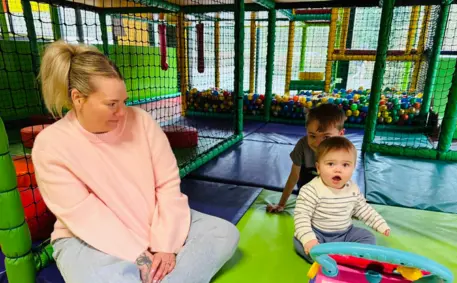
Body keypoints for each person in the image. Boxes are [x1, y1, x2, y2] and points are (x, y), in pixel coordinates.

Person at [32, 40, 239, 283]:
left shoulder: (141, 121)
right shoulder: (51, 145)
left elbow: (168, 184)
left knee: (223, 234)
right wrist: (140, 256)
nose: (122, 112)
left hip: (152, 219)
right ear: (78, 98)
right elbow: (87, 217)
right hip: (87, 238)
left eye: (124, 101)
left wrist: (166, 245)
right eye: (111, 104)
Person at [293, 136, 390, 263]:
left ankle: (347, 257)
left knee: (368, 237)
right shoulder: (311, 190)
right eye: (330, 164)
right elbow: (301, 217)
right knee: (301, 241)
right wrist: (309, 240)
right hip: (319, 234)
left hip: (345, 234)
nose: (338, 169)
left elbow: (363, 209)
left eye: (345, 165)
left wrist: (380, 224)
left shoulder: (353, 189)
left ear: (353, 167)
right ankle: (328, 258)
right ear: (318, 168)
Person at [267, 103, 346, 213]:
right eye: (312, 136)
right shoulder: (303, 146)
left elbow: (344, 181)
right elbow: (294, 175)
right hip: (307, 185)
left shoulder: (343, 152)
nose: (317, 143)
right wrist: (281, 204)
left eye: (326, 137)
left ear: (340, 134)